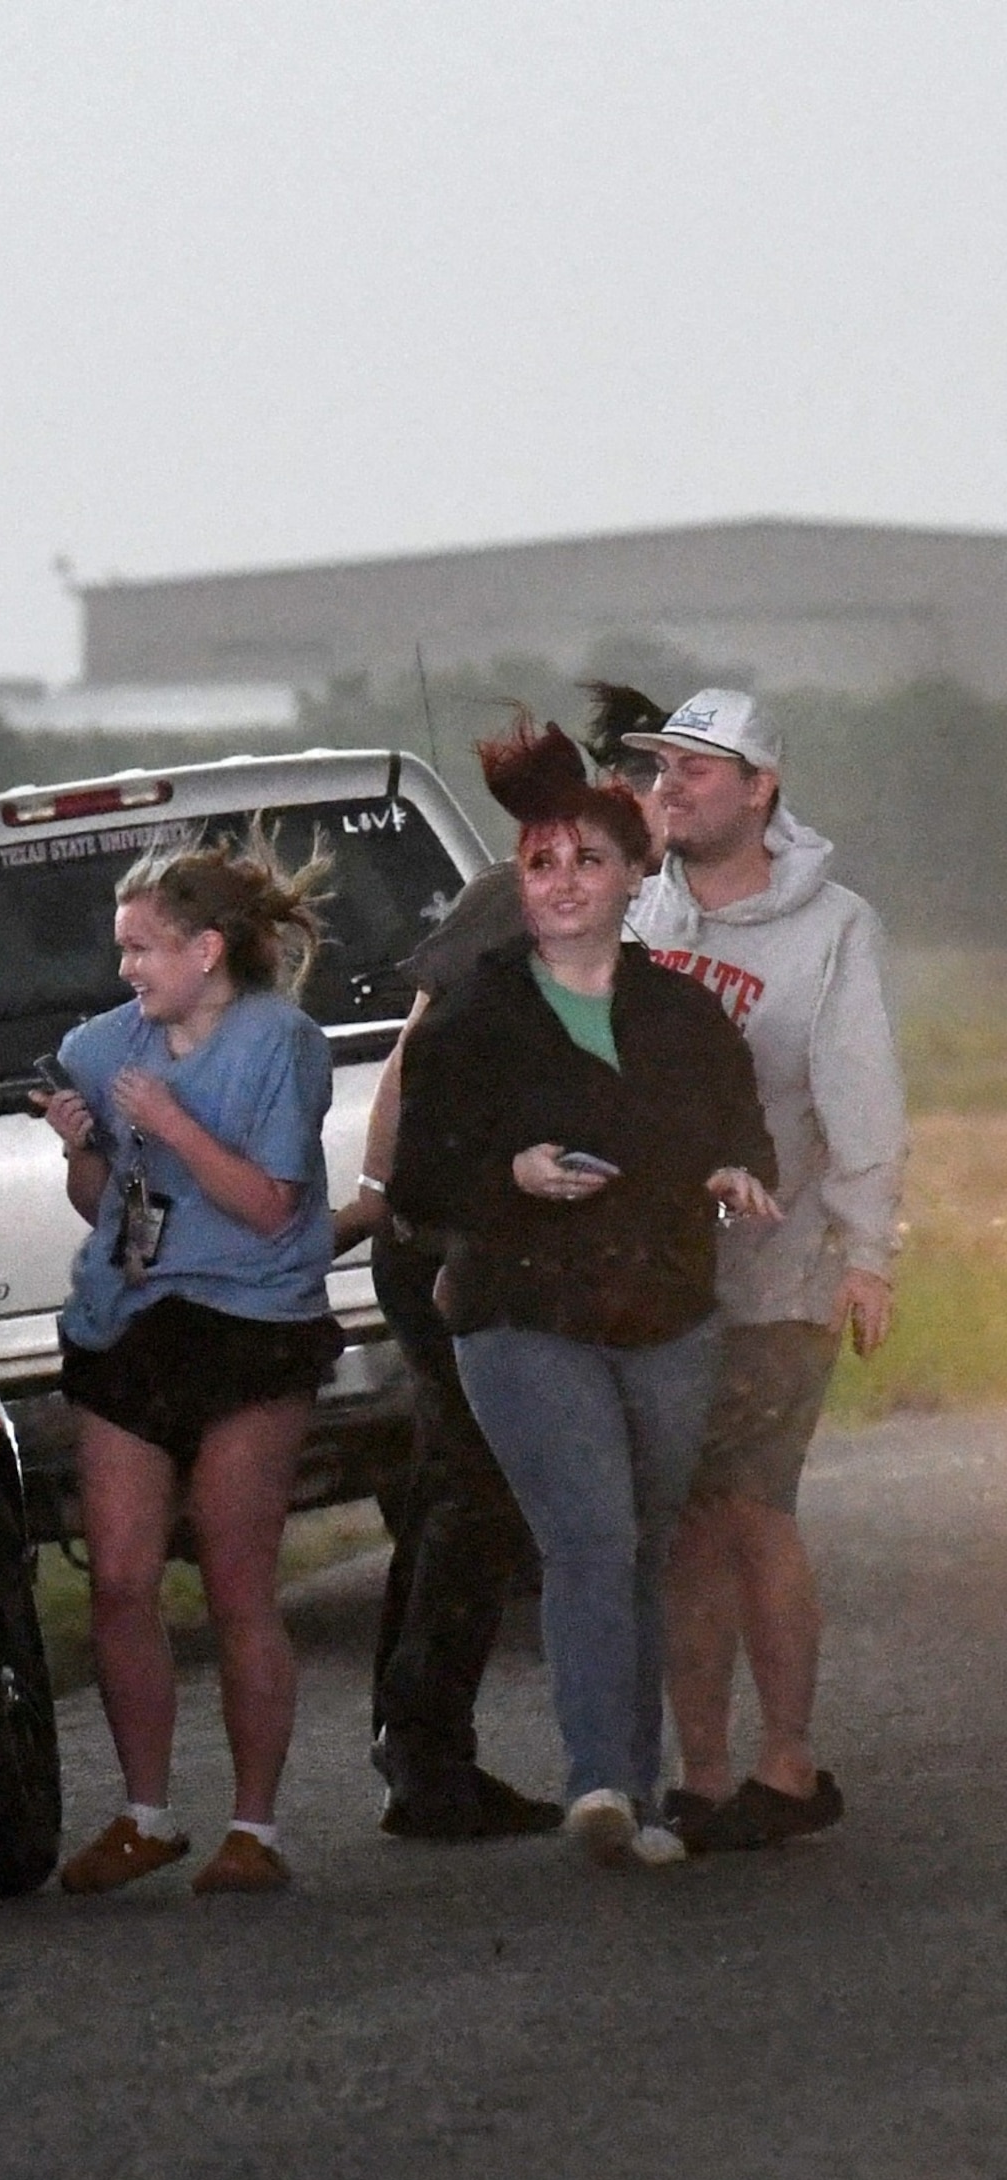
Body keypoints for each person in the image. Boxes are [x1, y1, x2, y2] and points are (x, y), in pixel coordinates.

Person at [389, 718, 777, 1868]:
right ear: (520, 881)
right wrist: (506, 1176)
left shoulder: (684, 1013)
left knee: (646, 1544)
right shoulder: (474, 1015)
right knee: (591, 1538)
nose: (561, 884)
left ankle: (642, 1793)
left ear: (631, 878)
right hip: (521, 1313)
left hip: (666, 1312)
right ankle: (601, 1784)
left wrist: (735, 1170)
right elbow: (417, 1185)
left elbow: (740, 1130)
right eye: (542, 863)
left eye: (587, 862)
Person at [339, 683, 670, 1838]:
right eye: (645, 781)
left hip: (505, 1238)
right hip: (460, 1238)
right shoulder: (514, 899)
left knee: (458, 1490)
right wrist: (391, 1209)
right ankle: (426, 1753)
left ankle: (420, 1746)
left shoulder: (628, 913)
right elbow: (414, 1064)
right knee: (476, 1493)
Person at [620, 690, 907, 1853]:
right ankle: (702, 1772)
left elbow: (861, 1093)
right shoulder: (634, 910)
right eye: (662, 768)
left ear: (762, 788)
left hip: (782, 1268)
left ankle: (788, 1764)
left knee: (751, 1507)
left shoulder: (832, 925)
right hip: (658, 1277)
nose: (672, 785)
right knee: (685, 1524)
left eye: (699, 767)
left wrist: (868, 1251)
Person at [35, 832, 342, 1897]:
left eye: (145, 950)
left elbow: (270, 1207)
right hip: (129, 1316)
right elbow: (102, 1201)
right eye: (121, 951)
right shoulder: (99, 1047)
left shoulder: (280, 1045)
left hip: (250, 1318)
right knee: (120, 1579)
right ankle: (145, 1813)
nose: (128, 971)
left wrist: (169, 1124)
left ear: (208, 950)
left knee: (234, 1573)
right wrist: (85, 1146)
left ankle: (252, 1827)